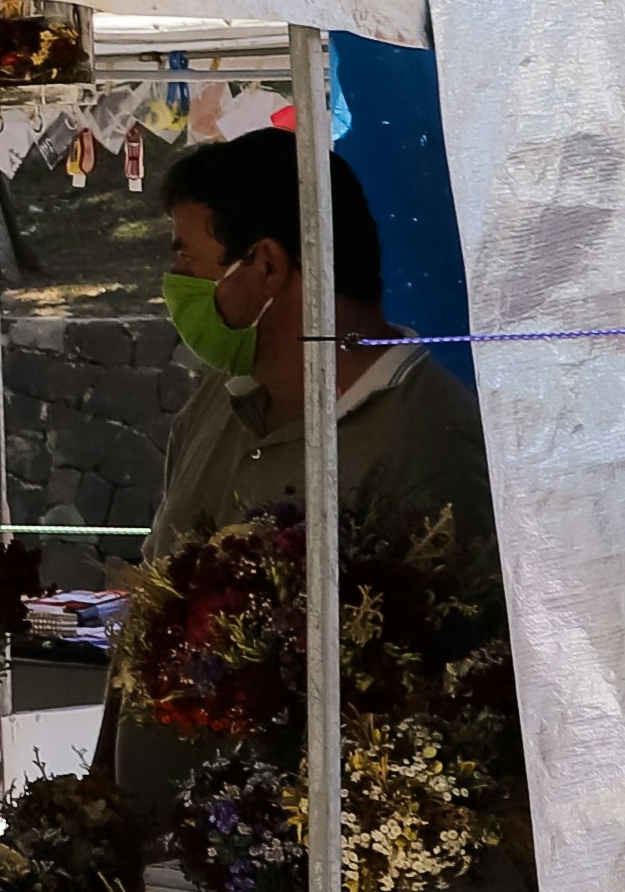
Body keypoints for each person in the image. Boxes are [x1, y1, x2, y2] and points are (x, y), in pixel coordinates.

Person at [138, 125, 498, 606]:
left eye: (187, 256)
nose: (175, 279)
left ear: (266, 265)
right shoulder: (217, 400)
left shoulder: (431, 445)